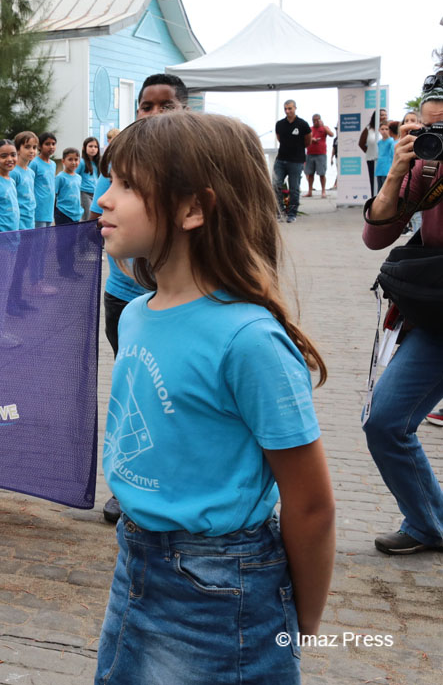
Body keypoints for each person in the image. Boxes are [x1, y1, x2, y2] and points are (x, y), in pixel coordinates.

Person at [93, 111, 334, 683]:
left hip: (224, 586)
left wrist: (301, 623)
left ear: (193, 209)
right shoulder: (133, 315)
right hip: (137, 562)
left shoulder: (249, 340)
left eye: (127, 185)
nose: (103, 199)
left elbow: (312, 504)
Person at [93, 73, 188, 523]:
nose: (151, 115)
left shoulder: (194, 169)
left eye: (163, 107)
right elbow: (102, 225)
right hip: (125, 299)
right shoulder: (120, 165)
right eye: (144, 107)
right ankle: (127, 481)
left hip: (180, 303)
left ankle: (173, 477)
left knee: (175, 394)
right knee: (134, 388)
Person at [361, 84, 443, 555]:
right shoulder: (426, 168)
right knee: (385, 421)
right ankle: (428, 522)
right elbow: (376, 236)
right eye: (426, 127)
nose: (434, 136)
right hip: (436, 315)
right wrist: (398, 170)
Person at [273, 99, 311, 223]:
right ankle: (279, 211)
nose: (287, 111)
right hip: (281, 160)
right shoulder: (279, 124)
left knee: (294, 188)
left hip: (296, 161)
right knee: (276, 185)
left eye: (290, 108)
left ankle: (292, 213)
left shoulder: (303, 124)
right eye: (285, 109)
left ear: (295, 108)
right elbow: (279, 138)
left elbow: (308, 142)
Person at [11, 131, 38, 230]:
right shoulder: (13, 172)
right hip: (18, 221)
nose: (32, 151)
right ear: (17, 149)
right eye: (27, 147)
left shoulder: (31, 172)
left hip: (30, 219)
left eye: (34, 147)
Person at [30, 132, 57, 227]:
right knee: (38, 239)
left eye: (53, 144)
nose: (51, 147)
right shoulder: (34, 163)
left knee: (46, 239)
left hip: (49, 208)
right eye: (47, 144)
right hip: (38, 209)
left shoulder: (53, 164)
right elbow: (29, 185)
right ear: (40, 146)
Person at [304, 113, 334, 197]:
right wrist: (312, 139)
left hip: (321, 154)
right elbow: (305, 138)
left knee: (322, 173)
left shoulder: (324, 128)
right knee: (310, 174)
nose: (315, 122)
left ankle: (323, 191)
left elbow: (331, 134)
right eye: (314, 120)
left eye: (317, 120)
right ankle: (310, 191)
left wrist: (323, 126)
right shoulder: (310, 129)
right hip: (310, 154)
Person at [360, 107, 390, 190]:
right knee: (374, 183)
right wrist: (370, 151)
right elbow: (361, 144)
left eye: (385, 115)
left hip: (386, 161)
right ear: (376, 116)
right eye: (382, 115)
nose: (384, 116)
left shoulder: (389, 127)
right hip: (372, 160)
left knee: (385, 183)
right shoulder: (369, 128)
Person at [53, 147, 83, 225]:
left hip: (76, 214)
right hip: (63, 213)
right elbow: (54, 195)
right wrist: (56, 213)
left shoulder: (79, 177)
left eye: (76, 159)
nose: (73, 162)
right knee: (63, 236)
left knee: (74, 236)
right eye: (70, 159)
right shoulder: (60, 177)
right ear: (63, 161)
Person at [79, 136, 101, 214]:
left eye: (95, 147)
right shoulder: (81, 162)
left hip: (95, 193)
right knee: (87, 217)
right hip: (84, 193)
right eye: (90, 146)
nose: (93, 149)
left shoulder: (98, 163)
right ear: (84, 148)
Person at [374, 120, 395, 194]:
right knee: (379, 190)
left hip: (387, 168)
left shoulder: (391, 141)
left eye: (386, 129)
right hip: (379, 168)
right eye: (382, 129)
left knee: (385, 190)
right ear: (379, 130)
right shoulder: (379, 142)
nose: (384, 131)